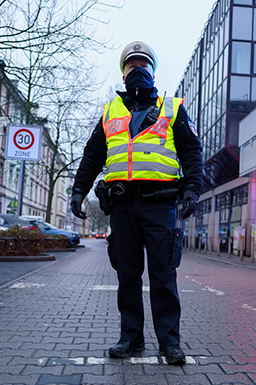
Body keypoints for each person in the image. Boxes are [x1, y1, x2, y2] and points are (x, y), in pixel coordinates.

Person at [70, 41, 203, 365]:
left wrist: (192, 192)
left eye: (143, 65)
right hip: (123, 207)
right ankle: (130, 338)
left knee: (163, 276)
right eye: (132, 65)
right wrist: (78, 190)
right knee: (127, 276)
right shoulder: (110, 112)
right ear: (124, 72)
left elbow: (191, 153)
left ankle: (169, 342)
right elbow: (92, 157)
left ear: (153, 72)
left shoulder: (172, 108)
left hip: (160, 205)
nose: (137, 70)